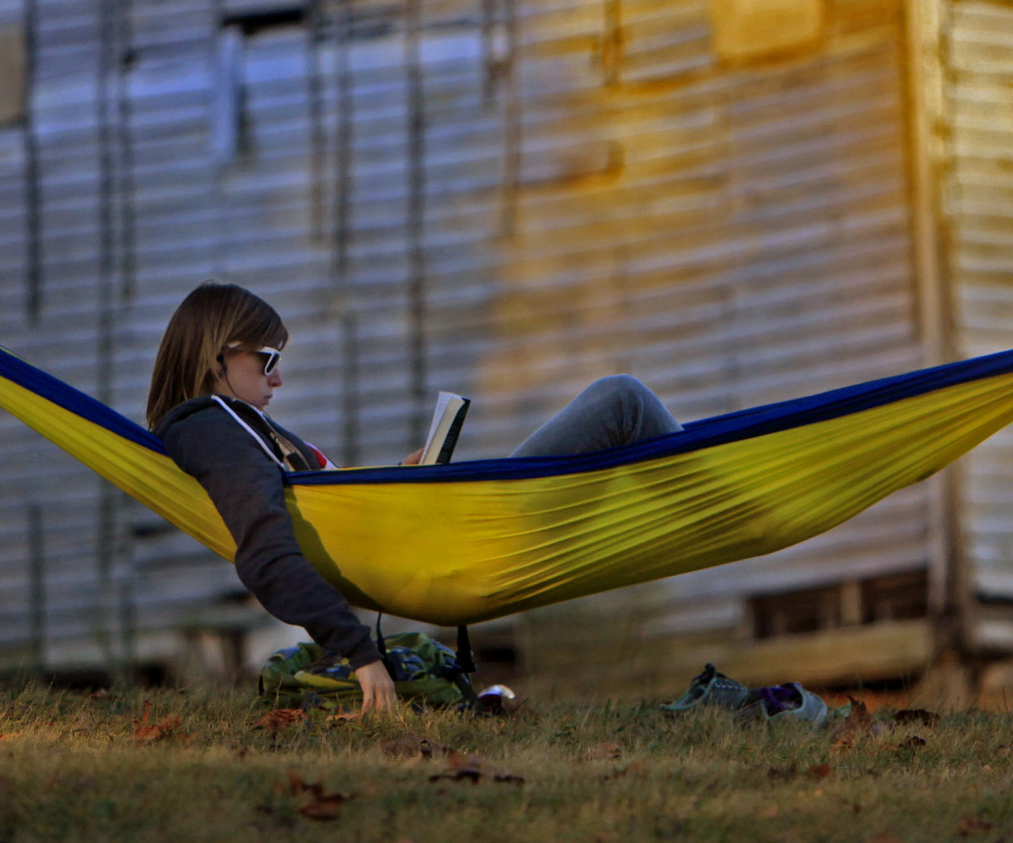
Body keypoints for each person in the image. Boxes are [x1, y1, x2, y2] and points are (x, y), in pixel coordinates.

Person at [147, 283, 682, 712]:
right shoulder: (213, 430)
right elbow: (264, 554)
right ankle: (719, 507)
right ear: (218, 359)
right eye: (267, 360)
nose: (279, 377)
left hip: (444, 535)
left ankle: (709, 506)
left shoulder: (241, 426)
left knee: (621, 404)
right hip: (461, 548)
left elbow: (325, 508)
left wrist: (395, 477)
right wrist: (358, 653)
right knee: (621, 400)